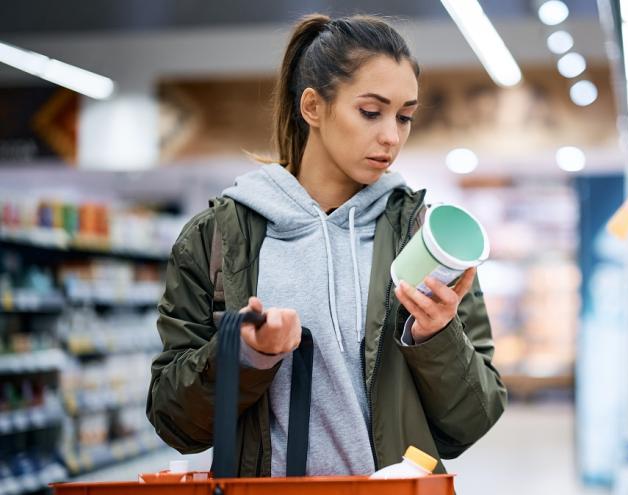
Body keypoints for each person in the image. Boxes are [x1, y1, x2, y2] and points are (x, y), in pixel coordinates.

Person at [146, 13, 507, 478]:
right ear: (313, 107)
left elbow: (471, 421)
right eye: (371, 112)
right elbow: (175, 423)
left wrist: (436, 338)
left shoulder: (425, 239)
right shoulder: (217, 239)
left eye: (405, 117)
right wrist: (247, 355)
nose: (391, 136)